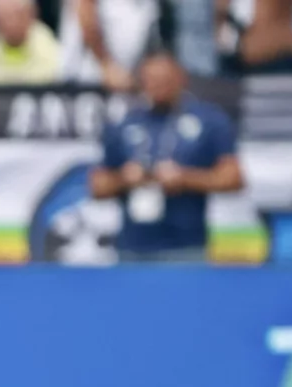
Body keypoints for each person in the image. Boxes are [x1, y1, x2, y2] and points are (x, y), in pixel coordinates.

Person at [89, 48, 243, 262]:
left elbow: (234, 178)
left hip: (187, 247)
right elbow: (97, 186)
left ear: (181, 79)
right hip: (132, 248)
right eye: (151, 80)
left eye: (165, 80)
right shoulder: (124, 123)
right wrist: (124, 179)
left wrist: (186, 178)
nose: (157, 86)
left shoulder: (209, 120)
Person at [0, 0, 62, 85]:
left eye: (15, 15)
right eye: (3, 17)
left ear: (31, 14)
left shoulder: (56, 55)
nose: (10, 23)